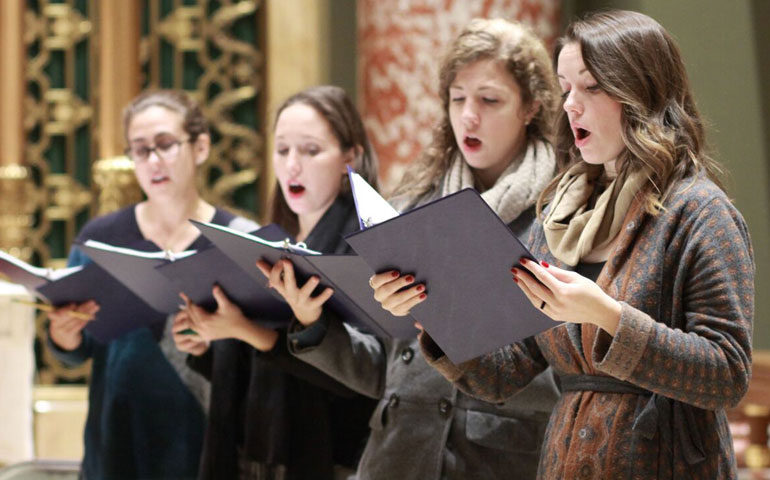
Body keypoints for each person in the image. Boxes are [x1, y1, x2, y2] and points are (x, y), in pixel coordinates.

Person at [419, 10, 755, 479]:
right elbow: (506, 372)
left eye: (591, 87)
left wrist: (607, 315)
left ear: (640, 92)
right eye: (565, 87)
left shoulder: (699, 211)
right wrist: (432, 310)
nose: (570, 105)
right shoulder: (559, 213)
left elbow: (727, 374)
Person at [285, 19, 562, 479]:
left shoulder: (561, 217)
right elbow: (387, 373)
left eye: (489, 100)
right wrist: (315, 328)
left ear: (531, 107)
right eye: (457, 99)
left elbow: (570, 381)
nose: (468, 116)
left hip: (496, 462)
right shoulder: (413, 206)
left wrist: (457, 333)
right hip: (395, 457)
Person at [46, 90, 257, 480]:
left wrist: (217, 341)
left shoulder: (239, 241)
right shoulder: (100, 237)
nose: (153, 161)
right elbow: (79, 351)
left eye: (165, 145)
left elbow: (267, 355)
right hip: (117, 446)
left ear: (201, 147)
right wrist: (65, 336)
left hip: (206, 444)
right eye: (140, 150)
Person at [173, 85, 378, 480]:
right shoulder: (273, 239)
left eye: (311, 150)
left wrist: (247, 330)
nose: (292, 166)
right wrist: (210, 339)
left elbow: (362, 379)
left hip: (326, 460)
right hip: (249, 453)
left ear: (349, 158)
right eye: (282, 150)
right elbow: (260, 376)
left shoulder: (365, 245)